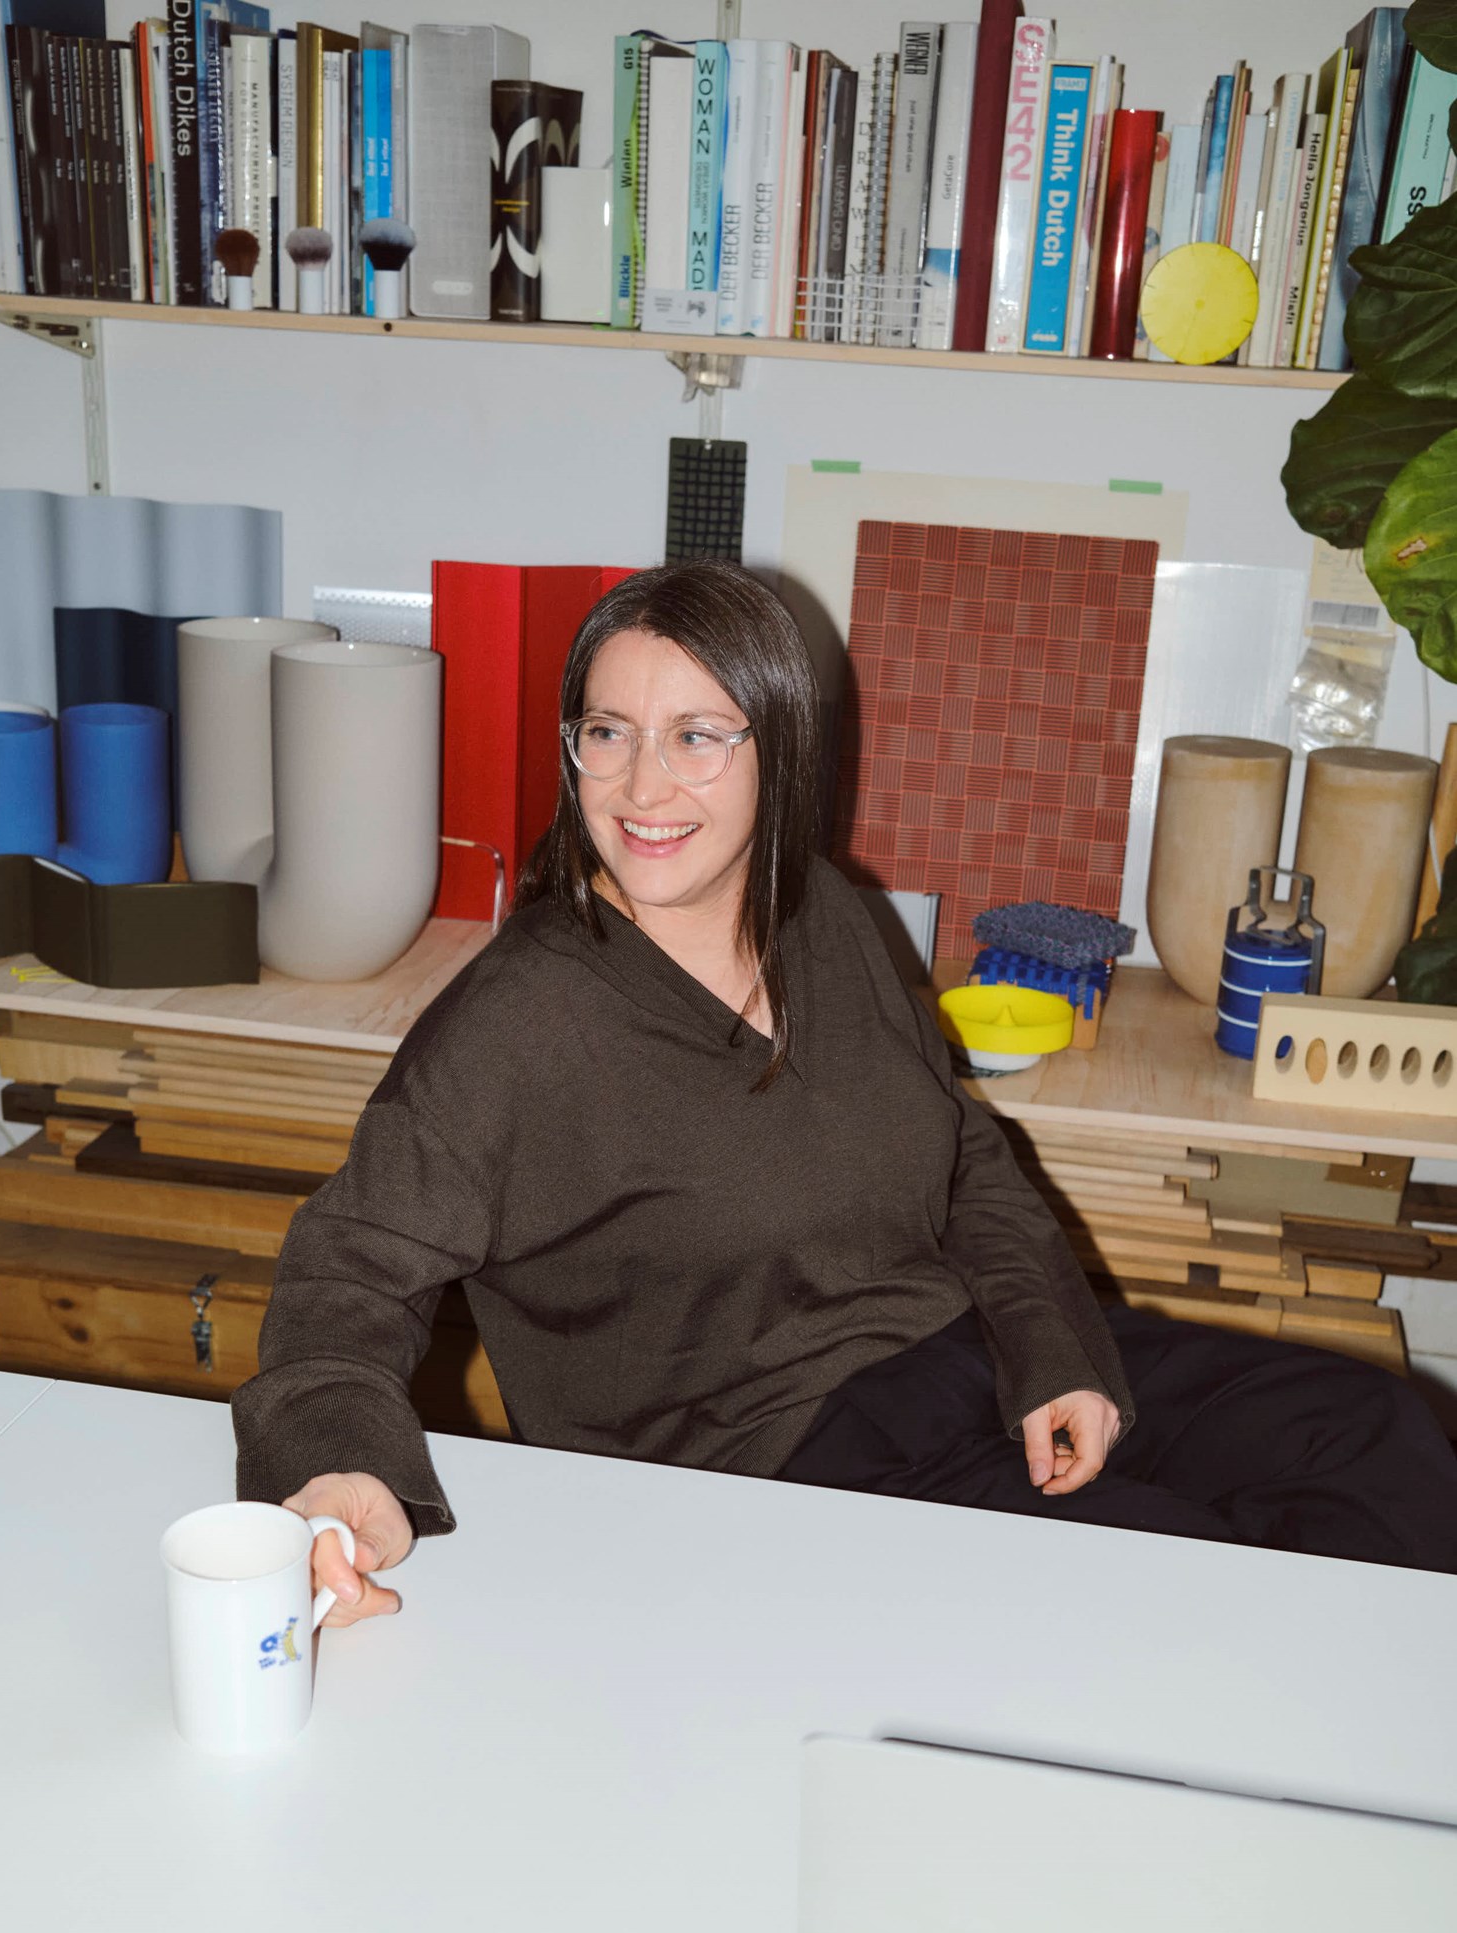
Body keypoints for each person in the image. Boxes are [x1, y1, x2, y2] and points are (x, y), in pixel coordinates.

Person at [232, 562, 1457, 1625]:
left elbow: (964, 1153)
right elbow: (347, 1268)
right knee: (1200, 1586)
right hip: (776, 1467)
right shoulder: (522, 1019)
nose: (642, 787)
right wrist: (337, 1463)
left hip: (963, 1358)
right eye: (606, 731)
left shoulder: (826, 912)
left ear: (782, 746)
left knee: (1376, 1438)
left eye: (698, 735)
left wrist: (1051, 1345)